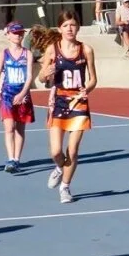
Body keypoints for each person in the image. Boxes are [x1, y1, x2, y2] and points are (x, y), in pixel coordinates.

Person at [35, 10, 98, 204]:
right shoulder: (53, 50)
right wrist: (46, 73)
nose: (70, 29)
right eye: (65, 25)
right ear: (59, 28)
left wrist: (85, 89)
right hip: (59, 102)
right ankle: (59, 167)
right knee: (56, 151)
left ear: (78, 26)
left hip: (78, 103)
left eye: (73, 25)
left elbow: (94, 79)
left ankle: (65, 187)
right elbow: (41, 78)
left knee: (72, 150)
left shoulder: (86, 49)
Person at [0, 22, 34, 172]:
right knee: (9, 127)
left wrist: (23, 93)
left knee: (19, 128)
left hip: (23, 94)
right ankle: (10, 159)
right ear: (8, 35)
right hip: (7, 94)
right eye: (15, 33)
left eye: (20, 33)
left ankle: (16, 158)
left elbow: (29, 76)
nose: (18, 35)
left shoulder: (27, 54)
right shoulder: (4, 53)